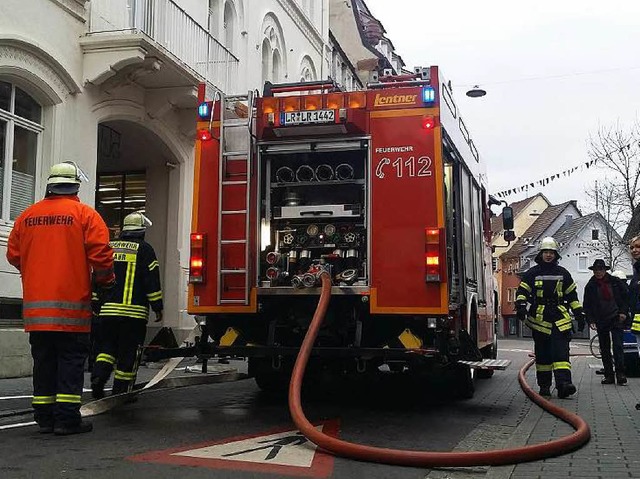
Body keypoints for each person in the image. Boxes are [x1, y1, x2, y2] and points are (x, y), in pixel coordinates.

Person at [6, 161, 115, 435]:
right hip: (71, 311)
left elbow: (14, 255)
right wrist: (105, 283)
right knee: (70, 362)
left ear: (49, 185)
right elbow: (101, 255)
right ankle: (66, 419)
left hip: (36, 313)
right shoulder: (84, 215)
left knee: (44, 363)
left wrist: (36, 271)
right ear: (76, 186)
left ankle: (44, 417)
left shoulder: (26, 217)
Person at [91, 212, 163, 399]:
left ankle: (98, 378)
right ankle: (122, 392)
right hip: (134, 315)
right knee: (128, 353)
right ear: (141, 232)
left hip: (107, 313)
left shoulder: (109, 248)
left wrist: (95, 301)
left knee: (106, 349)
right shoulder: (145, 250)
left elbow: (97, 275)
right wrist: (157, 306)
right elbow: (151, 280)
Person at [515, 236, 586, 398]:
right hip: (540, 320)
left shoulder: (563, 273)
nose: (548, 255)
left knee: (561, 354)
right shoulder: (532, 273)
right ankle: (545, 386)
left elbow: (572, 297)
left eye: (551, 252)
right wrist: (520, 307)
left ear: (556, 254)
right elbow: (522, 292)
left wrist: (579, 315)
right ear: (540, 254)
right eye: (546, 252)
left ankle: (564, 385)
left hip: (560, 318)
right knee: (543, 355)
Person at [583, 260, 629, 385]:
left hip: (616, 317)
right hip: (601, 319)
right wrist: (590, 320)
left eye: (600, 269)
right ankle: (609, 375)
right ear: (593, 271)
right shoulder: (591, 285)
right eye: (596, 270)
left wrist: (623, 312)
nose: (598, 272)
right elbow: (587, 305)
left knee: (618, 346)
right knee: (604, 348)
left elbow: (626, 298)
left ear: (605, 270)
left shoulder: (615, 282)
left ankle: (620, 374)